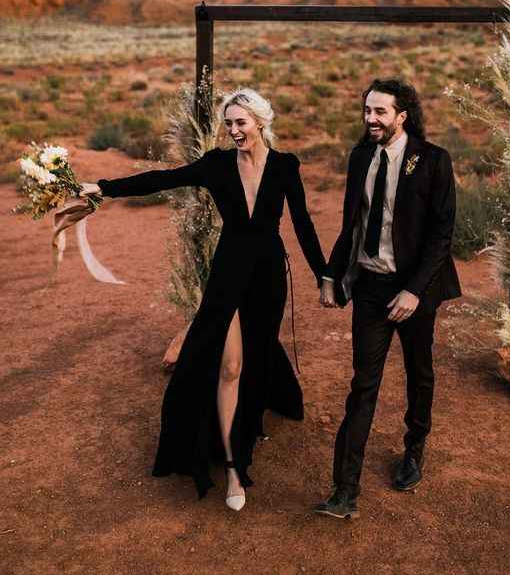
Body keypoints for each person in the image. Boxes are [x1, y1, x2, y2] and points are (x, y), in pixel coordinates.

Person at [80, 88, 326, 511]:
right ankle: (233, 466)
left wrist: (324, 276)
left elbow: (302, 222)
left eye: (240, 122)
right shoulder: (216, 165)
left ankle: (245, 430)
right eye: (228, 123)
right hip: (228, 271)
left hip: (268, 275)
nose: (233, 131)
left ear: (260, 122)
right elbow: (162, 179)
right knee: (230, 366)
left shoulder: (286, 166)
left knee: (257, 362)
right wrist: (102, 187)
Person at [314, 78, 461, 520]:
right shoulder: (361, 156)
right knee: (363, 385)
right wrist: (331, 272)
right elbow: (352, 223)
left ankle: (413, 453)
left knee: (420, 374)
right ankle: (345, 492)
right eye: (366, 111)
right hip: (372, 289)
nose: (370, 119)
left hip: (416, 289)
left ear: (402, 115)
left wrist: (414, 292)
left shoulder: (433, 160)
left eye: (380, 112)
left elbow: (442, 234)